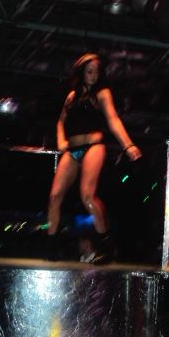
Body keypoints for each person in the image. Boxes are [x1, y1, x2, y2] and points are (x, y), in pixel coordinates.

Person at [47, 53, 141, 258]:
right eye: (90, 71)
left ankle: (106, 245)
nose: (94, 75)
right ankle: (52, 247)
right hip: (73, 149)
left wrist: (128, 145)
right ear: (81, 72)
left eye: (97, 71)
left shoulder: (102, 93)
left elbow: (113, 120)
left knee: (88, 197)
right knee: (55, 196)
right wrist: (61, 140)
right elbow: (61, 121)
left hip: (93, 146)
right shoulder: (72, 96)